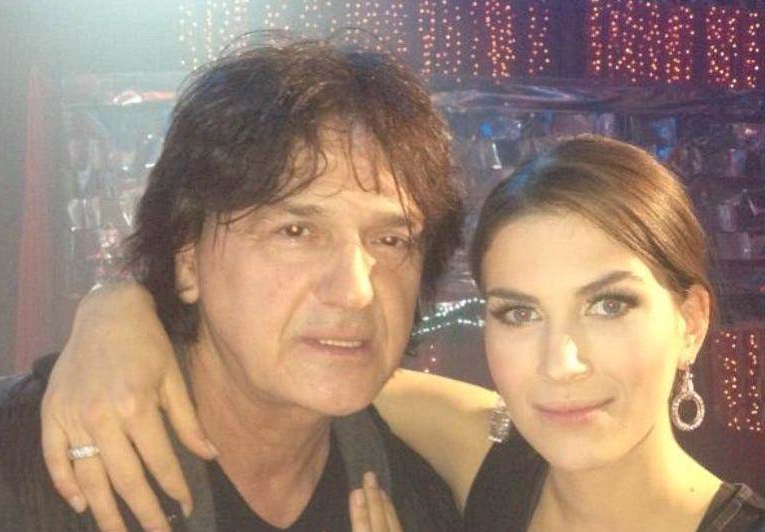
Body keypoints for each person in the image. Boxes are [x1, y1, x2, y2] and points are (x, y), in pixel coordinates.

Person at [38, 136, 765, 531]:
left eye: (608, 305)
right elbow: (296, 363)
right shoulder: (488, 455)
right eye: (519, 313)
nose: (561, 363)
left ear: (690, 322)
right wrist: (118, 313)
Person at [0, 36, 469, 532]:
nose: (357, 291)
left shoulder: (422, 503)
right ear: (187, 258)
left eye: (391, 240)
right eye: (295, 232)